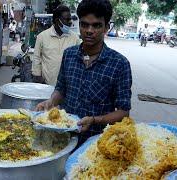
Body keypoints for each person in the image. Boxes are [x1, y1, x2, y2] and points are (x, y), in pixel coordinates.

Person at [36, 0, 132, 146]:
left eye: (96, 25)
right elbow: (61, 90)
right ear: (79, 25)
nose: (89, 30)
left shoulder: (119, 64)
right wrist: (51, 102)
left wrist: (94, 120)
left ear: (106, 27)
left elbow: (123, 112)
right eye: (84, 24)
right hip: (63, 137)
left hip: (96, 144)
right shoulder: (69, 55)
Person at [32, 5, 81, 85]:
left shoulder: (74, 38)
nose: (70, 22)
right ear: (57, 21)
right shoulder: (42, 36)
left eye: (70, 19)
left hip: (68, 86)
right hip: (47, 84)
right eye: (67, 19)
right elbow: (37, 57)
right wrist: (38, 77)